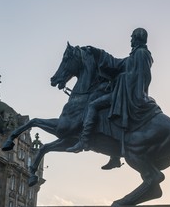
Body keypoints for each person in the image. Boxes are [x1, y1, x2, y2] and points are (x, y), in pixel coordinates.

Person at [66, 28, 162, 169]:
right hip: (124, 92)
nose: (130, 40)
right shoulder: (136, 54)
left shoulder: (141, 54)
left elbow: (139, 76)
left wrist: (120, 79)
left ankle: (84, 141)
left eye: (132, 37)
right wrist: (98, 53)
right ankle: (115, 156)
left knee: (93, 105)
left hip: (129, 95)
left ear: (137, 38)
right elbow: (118, 64)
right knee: (106, 112)